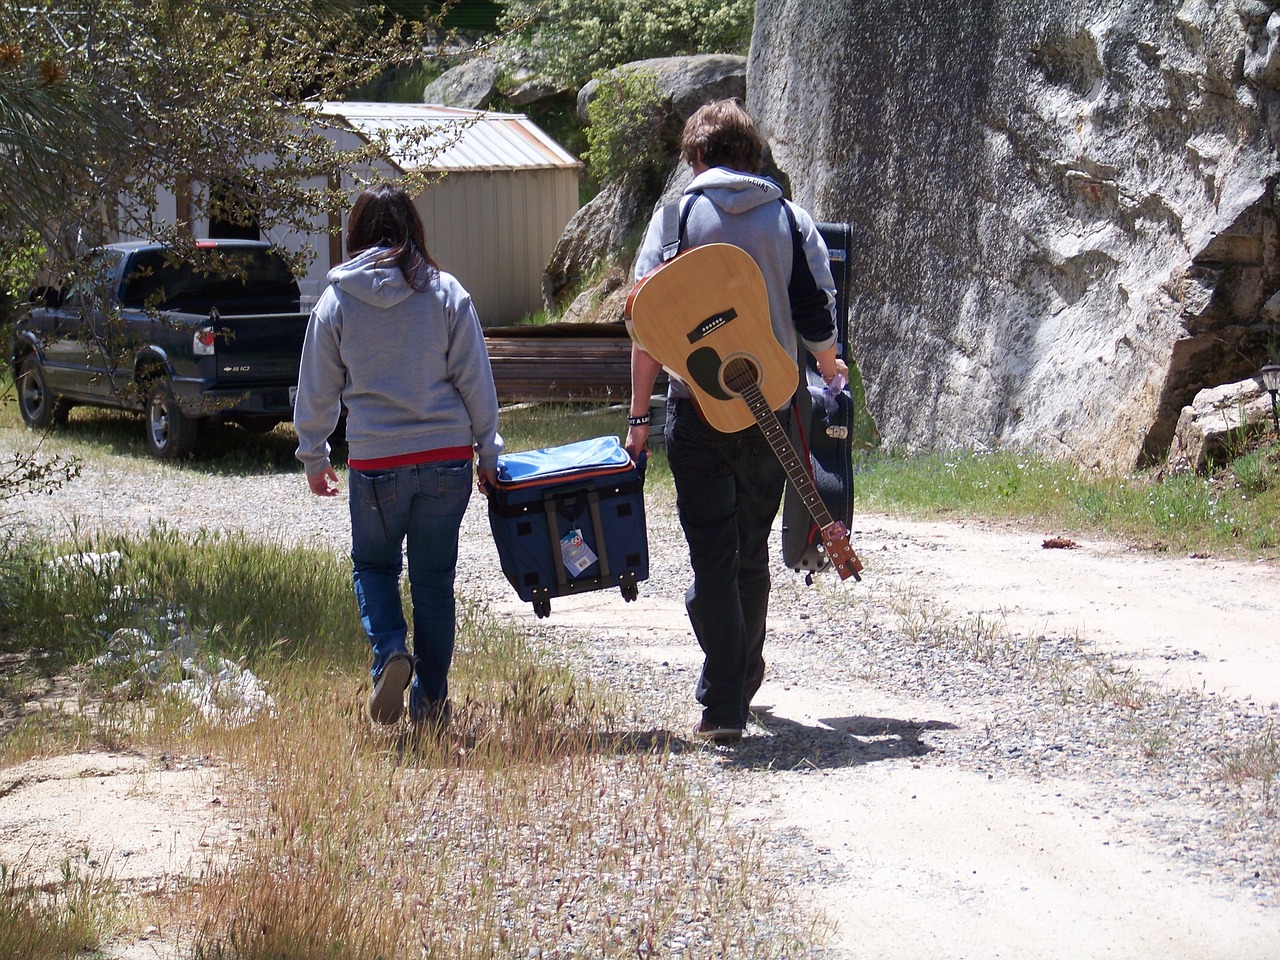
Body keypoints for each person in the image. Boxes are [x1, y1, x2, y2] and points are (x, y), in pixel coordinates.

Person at [624, 99, 847, 743]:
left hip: (697, 414)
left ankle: (724, 701)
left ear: (696, 157)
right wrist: (829, 370)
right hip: (771, 412)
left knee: (712, 560)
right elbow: (815, 316)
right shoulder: (790, 218)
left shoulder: (675, 218)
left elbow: (647, 329)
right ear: (754, 155)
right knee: (750, 551)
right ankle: (740, 676)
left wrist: (639, 417)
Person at [294, 184, 502, 730]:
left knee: (374, 566)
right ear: (414, 229)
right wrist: (488, 449)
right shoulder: (446, 293)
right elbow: (475, 378)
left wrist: (314, 456)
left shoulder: (337, 299)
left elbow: (316, 387)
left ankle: (389, 651)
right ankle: (430, 704)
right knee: (434, 581)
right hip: (445, 460)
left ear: (355, 234)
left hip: (375, 462)